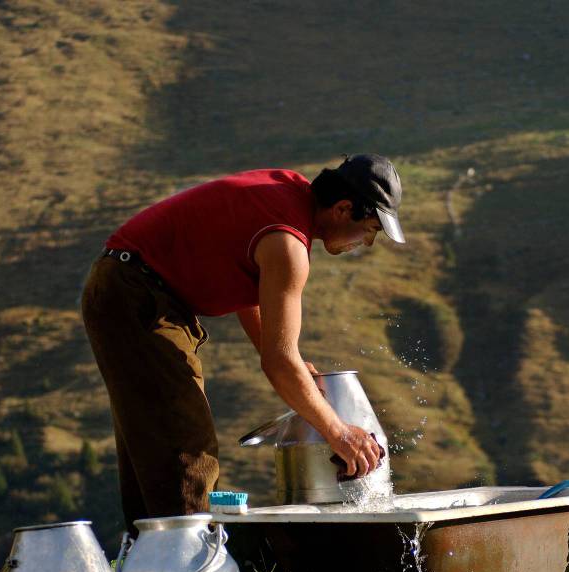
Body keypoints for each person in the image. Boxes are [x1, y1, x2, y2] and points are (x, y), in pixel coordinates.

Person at [81, 154, 405, 535]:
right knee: (186, 448)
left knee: (155, 446)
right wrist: (339, 433)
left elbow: (253, 299)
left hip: (127, 286)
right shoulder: (288, 244)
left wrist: (293, 361)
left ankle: (151, 567)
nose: (366, 242)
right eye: (369, 229)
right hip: (140, 296)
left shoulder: (287, 191)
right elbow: (278, 364)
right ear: (343, 208)